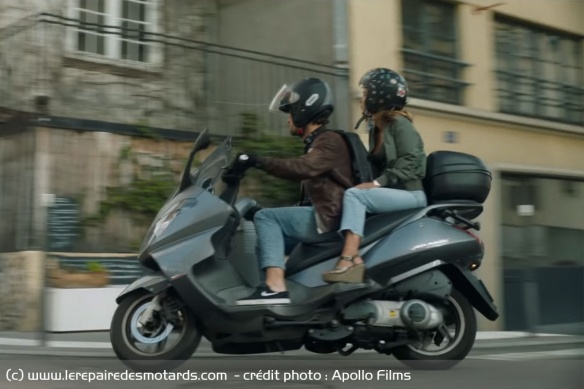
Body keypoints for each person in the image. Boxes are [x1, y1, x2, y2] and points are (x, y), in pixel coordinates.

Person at [232, 78, 355, 305]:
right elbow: (313, 197)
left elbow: (302, 168)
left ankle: (276, 287)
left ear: (303, 110)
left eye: (290, 112)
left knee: (267, 219)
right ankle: (267, 294)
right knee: (264, 232)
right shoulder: (318, 143)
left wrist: (256, 160)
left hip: (330, 220)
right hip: (326, 216)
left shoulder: (329, 141)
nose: (288, 118)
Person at [322, 68, 428, 283]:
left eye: (366, 94)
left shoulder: (400, 124)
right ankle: (359, 262)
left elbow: (412, 161)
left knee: (355, 196)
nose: (362, 99)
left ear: (379, 97)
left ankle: (349, 259)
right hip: (394, 192)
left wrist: (378, 183)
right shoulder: (376, 129)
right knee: (350, 195)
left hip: (411, 193)